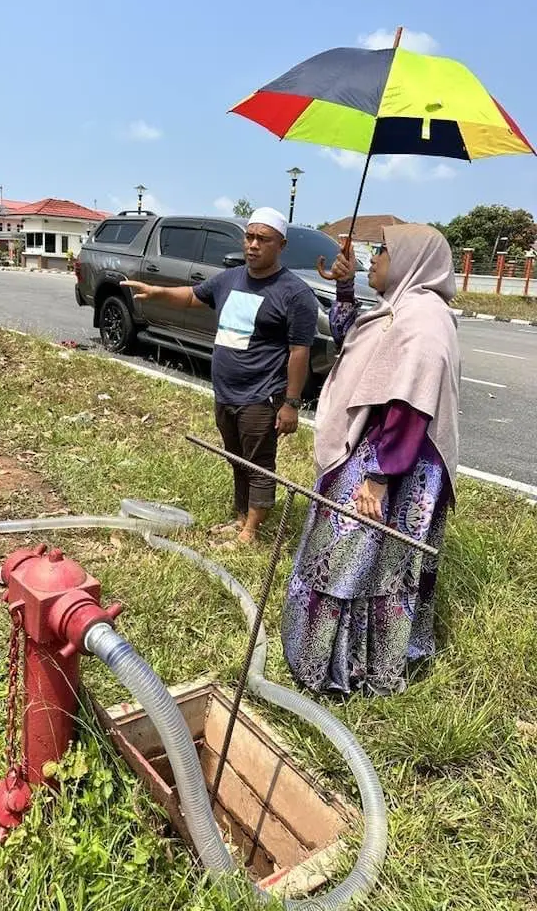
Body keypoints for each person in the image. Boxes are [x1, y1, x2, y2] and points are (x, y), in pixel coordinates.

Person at [281, 224, 460, 696]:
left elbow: (411, 401)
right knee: (360, 562)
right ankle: (339, 661)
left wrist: (379, 475)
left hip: (396, 462)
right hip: (380, 450)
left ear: (410, 259)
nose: (374, 258)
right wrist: (345, 283)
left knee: (352, 562)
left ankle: (343, 670)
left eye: (382, 250)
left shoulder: (424, 320)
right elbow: (349, 339)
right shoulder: (399, 309)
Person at [122, 207, 318, 543]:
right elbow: (193, 296)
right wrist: (157, 292)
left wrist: (291, 403)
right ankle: (242, 518)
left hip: (262, 394)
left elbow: (299, 351)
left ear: (281, 245)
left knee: (258, 463)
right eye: (249, 237)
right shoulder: (231, 278)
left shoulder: (295, 294)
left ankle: (251, 532)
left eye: (263, 239)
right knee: (236, 458)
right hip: (226, 391)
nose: (253, 245)